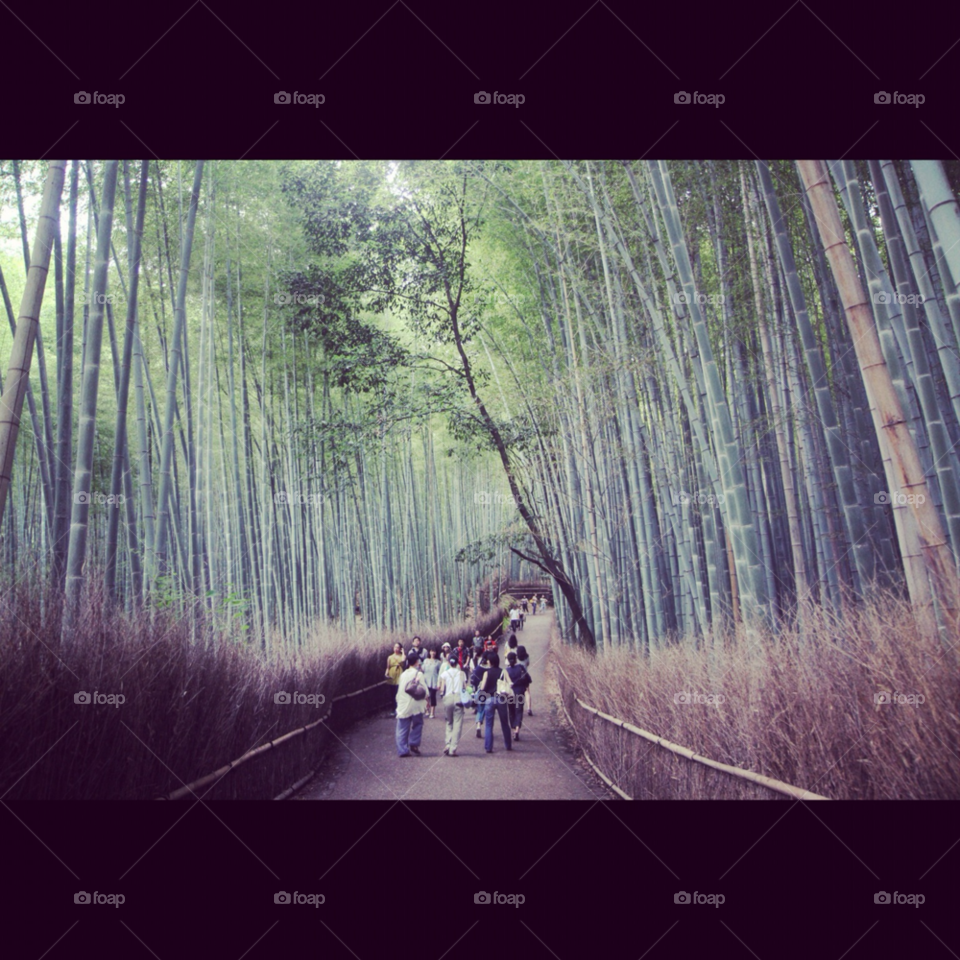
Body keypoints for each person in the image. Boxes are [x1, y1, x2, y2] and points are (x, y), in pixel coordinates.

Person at [395, 652, 428, 757]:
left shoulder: (403, 674)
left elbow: (400, 691)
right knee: (418, 724)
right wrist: (427, 700)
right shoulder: (419, 674)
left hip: (404, 705)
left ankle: (402, 750)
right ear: (417, 662)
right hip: (416, 704)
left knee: (402, 728)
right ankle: (413, 743)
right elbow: (425, 691)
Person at [478, 652, 512, 753]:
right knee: (505, 723)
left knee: (489, 724)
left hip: (489, 699)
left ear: (491, 661)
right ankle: (508, 744)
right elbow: (510, 683)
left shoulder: (486, 673)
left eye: (488, 660)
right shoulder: (503, 671)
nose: (487, 661)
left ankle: (488, 747)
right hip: (501, 699)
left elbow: (483, 688)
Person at [439, 654, 467, 756]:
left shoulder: (444, 674)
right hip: (458, 698)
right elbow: (465, 688)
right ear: (457, 663)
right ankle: (453, 748)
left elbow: (442, 689)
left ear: (449, 663)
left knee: (449, 722)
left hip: (448, 698)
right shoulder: (462, 674)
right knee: (458, 724)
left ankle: (447, 743)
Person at [505, 651, 532, 740]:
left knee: (511, 711)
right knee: (519, 710)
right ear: (516, 659)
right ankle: (517, 729)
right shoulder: (520, 668)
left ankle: (513, 728)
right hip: (519, 692)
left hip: (510, 694)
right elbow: (528, 679)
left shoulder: (506, 671)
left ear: (508, 660)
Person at [471, 654, 489, 737]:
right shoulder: (490, 669)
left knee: (479, 709)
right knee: (485, 711)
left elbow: (473, 681)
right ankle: (487, 729)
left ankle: (478, 725)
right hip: (488, 692)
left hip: (479, 691)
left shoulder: (478, 668)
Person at [421, 648, 441, 719]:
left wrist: (439, 682)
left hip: (434, 681)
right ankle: (427, 710)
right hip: (426, 680)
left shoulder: (438, 662)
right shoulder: (426, 661)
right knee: (426, 696)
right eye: (431, 651)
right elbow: (422, 669)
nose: (433, 653)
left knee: (432, 696)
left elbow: (440, 672)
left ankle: (432, 712)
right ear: (429, 652)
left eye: (434, 651)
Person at [385, 643, 404, 708]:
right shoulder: (390, 657)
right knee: (392, 693)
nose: (396, 649)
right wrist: (386, 674)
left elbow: (404, 660)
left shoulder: (402, 656)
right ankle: (393, 708)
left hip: (399, 673)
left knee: (399, 691)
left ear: (400, 648)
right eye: (395, 647)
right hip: (392, 674)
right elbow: (388, 667)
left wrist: (403, 652)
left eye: (398, 647)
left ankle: (400, 707)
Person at [516, 644, 532, 715]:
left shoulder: (516, 658)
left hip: (517, 677)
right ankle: (529, 708)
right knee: (527, 692)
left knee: (517, 692)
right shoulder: (527, 657)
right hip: (525, 676)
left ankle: (518, 708)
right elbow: (528, 664)